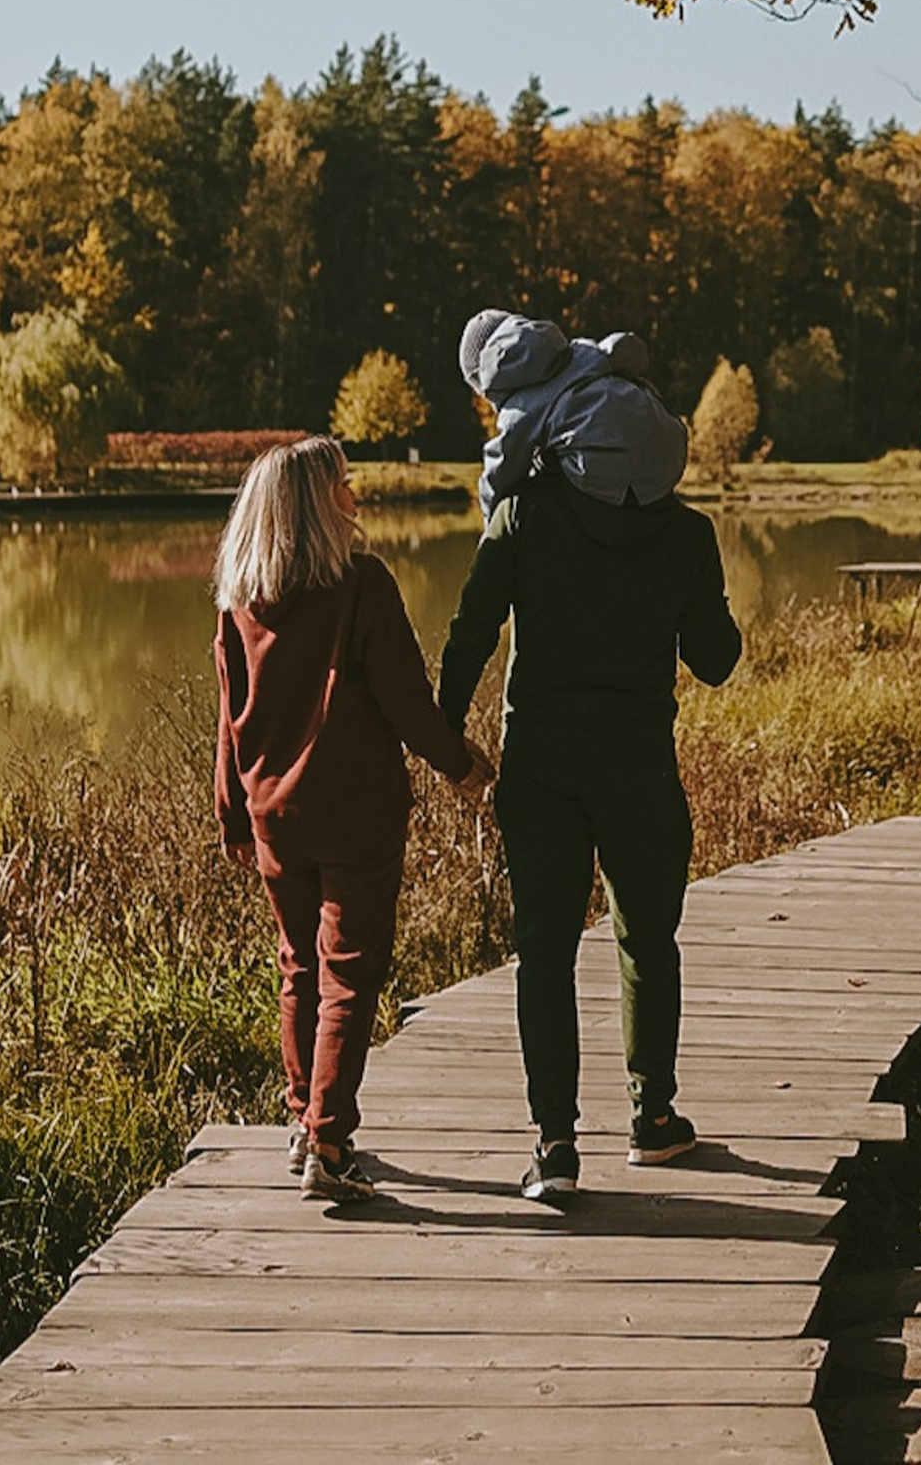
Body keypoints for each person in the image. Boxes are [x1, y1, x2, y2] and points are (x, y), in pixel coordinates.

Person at [438, 455, 741, 1202]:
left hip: (540, 771)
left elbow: (473, 628)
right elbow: (715, 660)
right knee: (647, 939)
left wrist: (446, 736)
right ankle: (653, 1118)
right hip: (639, 769)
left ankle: (555, 1147)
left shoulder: (524, 513)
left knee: (545, 953)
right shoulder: (686, 533)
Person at [213, 435, 490, 1203]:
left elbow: (228, 719)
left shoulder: (239, 601)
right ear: (314, 504)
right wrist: (460, 764)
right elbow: (405, 700)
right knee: (348, 973)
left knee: (299, 967)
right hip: (357, 812)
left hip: (273, 815)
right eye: (342, 483)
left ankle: (305, 1123)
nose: (355, 494)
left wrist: (231, 813)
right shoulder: (361, 584)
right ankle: (330, 1146)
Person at [460, 308, 689, 523]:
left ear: (485, 380)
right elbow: (630, 350)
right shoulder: (581, 351)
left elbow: (500, 473)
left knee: (540, 465)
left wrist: (491, 522)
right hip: (671, 448)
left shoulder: (519, 409)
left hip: (605, 469)